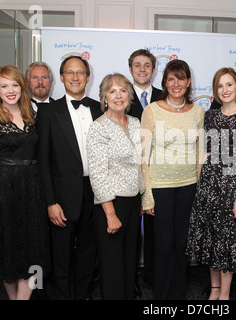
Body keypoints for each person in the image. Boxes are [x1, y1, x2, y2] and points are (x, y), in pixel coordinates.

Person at [186, 67, 236, 300]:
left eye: (229, 84)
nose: (225, 90)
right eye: (220, 86)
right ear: (215, 90)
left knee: (227, 243)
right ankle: (214, 289)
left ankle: (225, 295)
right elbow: (205, 150)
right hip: (209, 186)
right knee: (211, 240)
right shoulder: (210, 115)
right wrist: (200, 180)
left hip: (233, 188)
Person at [0, 65, 50, 300]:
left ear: (22, 87)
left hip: (32, 190)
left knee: (33, 251)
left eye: (15, 85)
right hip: (3, 192)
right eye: (4, 86)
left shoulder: (32, 115)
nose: (10, 90)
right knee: (7, 252)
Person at [37, 55, 102, 300]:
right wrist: (50, 202)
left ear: (88, 77)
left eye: (80, 73)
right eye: (70, 72)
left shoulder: (99, 108)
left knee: (88, 251)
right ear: (62, 77)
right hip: (62, 195)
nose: (75, 77)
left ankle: (82, 294)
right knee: (61, 254)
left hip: (95, 192)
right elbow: (43, 161)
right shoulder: (48, 112)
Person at [140, 59, 204, 299]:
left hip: (188, 186)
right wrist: (147, 195)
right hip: (160, 187)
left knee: (181, 245)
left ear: (188, 82)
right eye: (171, 79)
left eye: (181, 78)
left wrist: (198, 186)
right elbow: (143, 155)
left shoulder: (198, 111)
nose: (176, 83)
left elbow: (199, 152)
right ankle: (162, 296)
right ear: (164, 82)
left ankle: (178, 295)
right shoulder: (152, 110)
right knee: (164, 245)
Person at [87, 73, 144, 299]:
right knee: (112, 265)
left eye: (122, 91)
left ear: (129, 95)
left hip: (133, 201)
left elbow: (141, 164)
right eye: (112, 91)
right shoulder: (99, 127)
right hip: (111, 204)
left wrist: (141, 196)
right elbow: (98, 173)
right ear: (104, 97)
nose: (118, 96)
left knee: (130, 260)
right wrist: (110, 214)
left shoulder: (136, 123)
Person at [127, 49, 162, 291]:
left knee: (154, 231)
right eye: (137, 65)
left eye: (147, 65)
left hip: (158, 174)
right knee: (129, 233)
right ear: (130, 69)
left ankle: (152, 278)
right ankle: (130, 282)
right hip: (127, 173)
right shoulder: (120, 95)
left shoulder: (165, 95)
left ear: (153, 69)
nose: (142, 69)